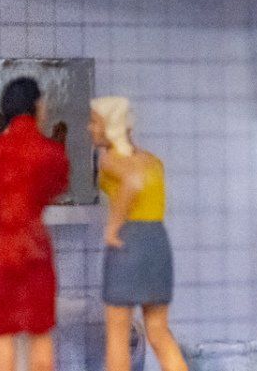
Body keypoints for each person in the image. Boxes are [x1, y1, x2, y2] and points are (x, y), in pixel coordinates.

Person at [0, 77, 71, 371]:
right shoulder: (51, 151)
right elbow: (57, 188)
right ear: (37, 106)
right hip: (34, 245)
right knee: (40, 329)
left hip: (1, 245)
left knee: (1, 330)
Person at [91, 97, 188, 371]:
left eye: (95, 122)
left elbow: (131, 183)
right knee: (158, 331)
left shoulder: (110, 159)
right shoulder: (153, 161)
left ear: (110, 126)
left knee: (118, 335)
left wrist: (113, 226)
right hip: (157, 241)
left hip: (129, 241)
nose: (90, 128)